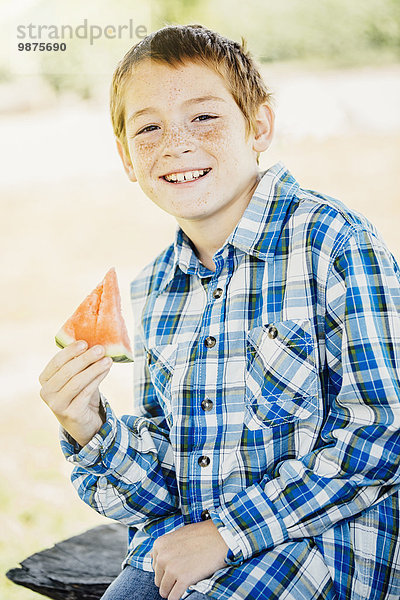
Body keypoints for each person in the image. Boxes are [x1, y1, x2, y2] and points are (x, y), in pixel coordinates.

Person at [39, 24, 400, 600]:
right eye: (149, 127)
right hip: (183, 554)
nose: (176, 143)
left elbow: (382, 437)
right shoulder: (154, 290)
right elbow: (164, 488)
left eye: (204, 117)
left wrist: (226, 534)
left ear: (259, 126)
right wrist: (88, 427)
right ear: (127, 157)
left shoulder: (333, 243)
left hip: (316, 554)